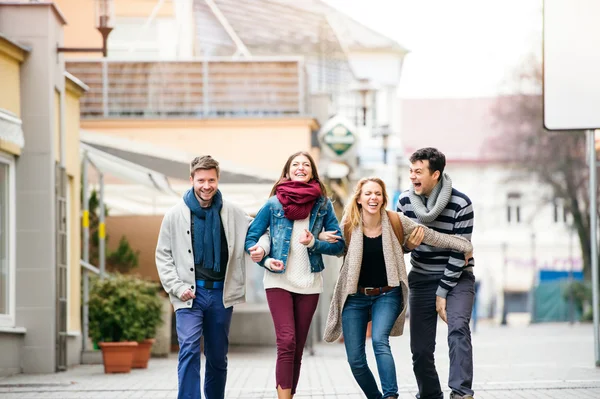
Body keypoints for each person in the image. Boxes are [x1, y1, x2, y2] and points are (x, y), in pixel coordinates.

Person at [323, 177, 473, 399]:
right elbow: (335, 248)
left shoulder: (396, 220)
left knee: (379, 341)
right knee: (355, 360)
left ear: (383, 198)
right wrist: (318, 239)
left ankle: (391, 395)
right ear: (359, 199)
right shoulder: (348, 224)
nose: (373, 197)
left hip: (387, 294)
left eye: (378, 193)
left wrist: (464, 245)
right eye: (368, 194)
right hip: (355, 297)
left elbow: (432, 236)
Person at [156, 155, 270, 399]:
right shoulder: (174, 215)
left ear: (218, 180)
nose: (206, 185)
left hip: (220, 294)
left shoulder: (233, 212)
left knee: (218, 355)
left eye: (211, 180)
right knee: (188, 348)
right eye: (201, 180)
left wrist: (262, 247)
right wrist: (177, 287)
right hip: (189, 294)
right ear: (191, 180)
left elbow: (261, 232)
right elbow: (163, 256)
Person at [244, 151, 345, 399]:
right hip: (278, 282)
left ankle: (289, 395)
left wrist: (314, 243)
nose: (301, 168)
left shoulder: (323, 204)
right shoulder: (273, 204)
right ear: (287, 172)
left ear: (312, 172)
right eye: (296, 165)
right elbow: (251, 238)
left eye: (306, 165)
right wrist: (264, 258)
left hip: (309, 283)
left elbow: (339, 245)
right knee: (287, 342)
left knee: (298, 347)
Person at [396, 147, 476, 399]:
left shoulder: (461, 204)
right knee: (420, 349)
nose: (412, 176)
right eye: (410, 171)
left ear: (436, 174)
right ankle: (430, 394)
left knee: (458, 328)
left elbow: (460, 251)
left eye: (418, 171)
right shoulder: (404, 203)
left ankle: (461, 392)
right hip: (421, 277)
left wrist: (442, 293)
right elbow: (399, 248)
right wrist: (409, 245)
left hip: (457, 276)